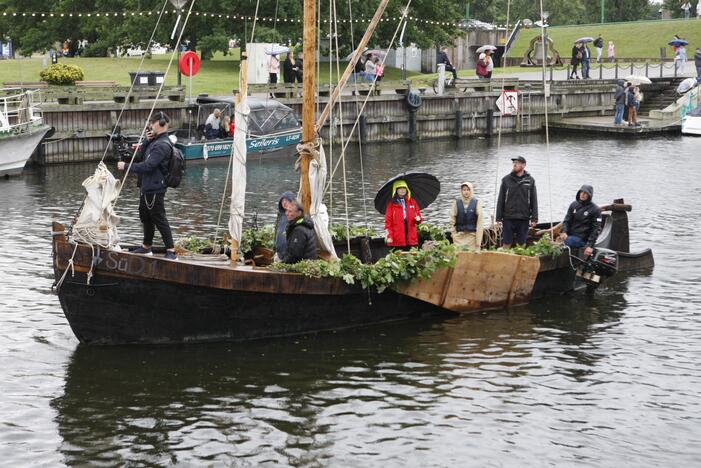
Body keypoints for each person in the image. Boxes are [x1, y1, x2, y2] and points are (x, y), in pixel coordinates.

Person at [116, 112, 177, 260]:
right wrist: (147, 141)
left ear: (160, 124)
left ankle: (171, 250)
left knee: (159, 218)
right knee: (145, 217)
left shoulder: (162, 145)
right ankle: (146, 247)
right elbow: (140, 157)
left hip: (156, 188)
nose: (150, 126)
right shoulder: (154, 142)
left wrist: (126, 166)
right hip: (147, 186)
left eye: (152, 123)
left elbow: (148, 166)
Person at [496, 156, 538, 248]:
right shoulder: (506, 180)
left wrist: (534, 218)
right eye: (513, 162)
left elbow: (533, 200)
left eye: (517, 162)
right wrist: (498, 218)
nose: (514, 164)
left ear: (523, 165)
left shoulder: (530, 180)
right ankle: (505, 260)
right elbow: (501, 199)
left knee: (521, 244)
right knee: (506, 243)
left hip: (524, 217)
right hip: (508, 218)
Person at [558, 185, 602, 258]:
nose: (582, 194)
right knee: (560, 239)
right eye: (581, 192)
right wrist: (564, 232)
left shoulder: (595, 210)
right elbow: (566, 220)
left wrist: (590, 246)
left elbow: (596, 229)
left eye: (585, 193)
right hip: (570, 236)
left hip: (582, 239)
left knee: (567, 241)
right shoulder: (574, 205)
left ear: (589, 195)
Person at [384, 180, 422, 249]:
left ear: (407, 189)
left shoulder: (412, 202)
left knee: (413, 257)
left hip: (411, 238)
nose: (402, 190)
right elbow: (388, 223)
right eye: (400, 188)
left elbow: (418, 218)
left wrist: (418, 219)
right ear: (396, 190)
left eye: (404, 188)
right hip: (397, 239)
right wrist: (389, 237)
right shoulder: (391, 205)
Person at [449, 182, 483, 251]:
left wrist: (478, 243)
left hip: (472, 236)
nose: (466, 192)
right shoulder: (456, 203)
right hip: (459, 237)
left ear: (471, 190)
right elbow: (452, 220)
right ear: (461, 191)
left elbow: (480, 223)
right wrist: (454, 235)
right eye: (464, 190)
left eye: (468, 190)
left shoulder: (477, 203)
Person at [274, 191, 296, 261]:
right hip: (279, 254)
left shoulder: (296, 217)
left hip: (289, 256)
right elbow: (277, 232)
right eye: (283, 200)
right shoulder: (281, 216)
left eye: (286, 200)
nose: (284, 203)